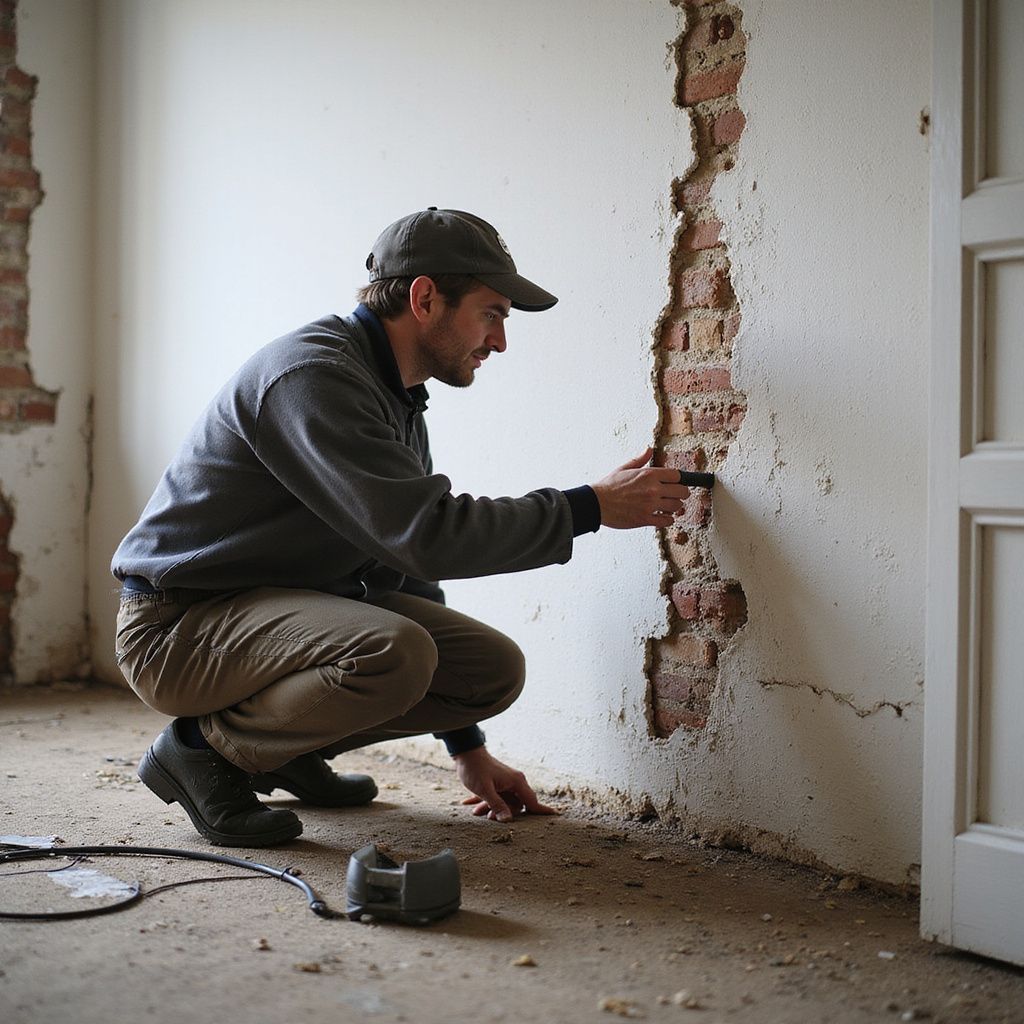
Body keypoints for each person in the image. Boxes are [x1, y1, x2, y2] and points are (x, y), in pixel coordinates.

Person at [111, 208, 691, 848]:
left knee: (488, 670)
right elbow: (428, 533)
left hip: (272, 616)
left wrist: (470, 752)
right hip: (180, 627)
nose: (499, 341)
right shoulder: (314, 377)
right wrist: (590, 507)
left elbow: (404, 564)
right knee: (396, 651)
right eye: (493, 313)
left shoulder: (392, 393)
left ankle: (278, 751)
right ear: (424, 298)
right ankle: (201, 751)